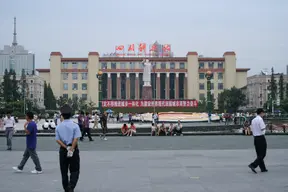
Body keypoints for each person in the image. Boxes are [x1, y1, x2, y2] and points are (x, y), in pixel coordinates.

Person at [55, 104, 81, 192]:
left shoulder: (58, 127)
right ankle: (71, 186)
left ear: (62, 115)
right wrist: (72, 148)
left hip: (63, 150)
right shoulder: (75, 126)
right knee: (75, 170)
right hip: (73, 149)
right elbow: (76, 138)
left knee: (64, 171)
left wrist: (66, 147)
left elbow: (57, 140)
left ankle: (66, 188)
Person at [248, 108, 268, 174]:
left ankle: (263, 168)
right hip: (261, 137)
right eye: (263, 113)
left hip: (255, 138)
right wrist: (266, 127)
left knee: (259, 154)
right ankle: (253, 165)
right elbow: (262, 129)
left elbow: (252, 129)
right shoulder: (260, 119)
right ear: (261, 113)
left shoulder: (253, 120)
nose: (264, 114)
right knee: (263, 154)